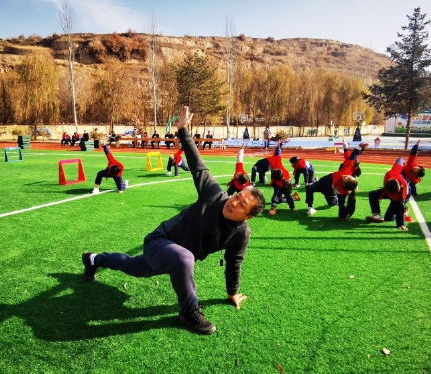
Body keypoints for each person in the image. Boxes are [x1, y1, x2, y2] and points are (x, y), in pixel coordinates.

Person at [81, 106, 266, 335]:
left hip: (177, 259)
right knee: (184, 257)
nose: (234, 202)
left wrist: (232, 292)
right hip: (160, 241)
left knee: (132, 266)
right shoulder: (214, 195)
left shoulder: (241, 234)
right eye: (237, 196)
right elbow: (197, 163)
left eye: (242, 205)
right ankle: (189, 311)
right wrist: (182, 131)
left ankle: (92, 258)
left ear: (247, 217)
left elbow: (234, 262)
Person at [305, 142, 368, 219]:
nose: (347, 176)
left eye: (348, 178)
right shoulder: (346, 171)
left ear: (344, 184)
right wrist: (359, 147)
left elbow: (342, 205)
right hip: (321, 184)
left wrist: (343, 216)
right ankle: (310, 207)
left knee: (332, 203)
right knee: (309, 187)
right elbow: (352, 157)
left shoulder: (342, 191)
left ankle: (334, 199)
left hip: (329, 191)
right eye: (349, 176)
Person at [366, 157, 410, 231]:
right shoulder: (391, 173)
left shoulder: (404, 189)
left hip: (399, 198)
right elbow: (399, 161)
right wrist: (402, 160)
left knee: (388, 218)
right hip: (389, 191)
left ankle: (405, 213)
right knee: (373, 194)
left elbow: (400, 206)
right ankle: (376, 215)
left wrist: (401, 224)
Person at [267, 143, 296, 214]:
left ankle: (291, 207)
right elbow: (278, 155)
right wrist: (278, 147)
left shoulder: (286, 178)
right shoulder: (278, 165)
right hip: (278, 183)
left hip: (286, 185)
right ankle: (274, 208)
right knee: (276, 195)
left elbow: (288, 188)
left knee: (286, 196)